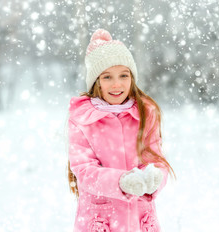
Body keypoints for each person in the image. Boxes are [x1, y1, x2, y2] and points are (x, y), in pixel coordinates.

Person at [67, 29, 175, 232]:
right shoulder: (82, 118)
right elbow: (84, 170)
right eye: (107, 77)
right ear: (96, 81)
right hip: (101, 220)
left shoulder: (145, 113)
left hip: (139, 220)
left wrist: (154, 178)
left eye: (123, 75)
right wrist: (121, 182)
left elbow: (156, 159)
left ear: (132, 78)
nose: (117, 84)